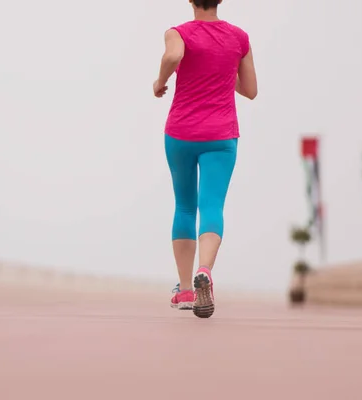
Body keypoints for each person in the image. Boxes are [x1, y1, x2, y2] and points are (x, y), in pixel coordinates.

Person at [153, 0, 257, 318]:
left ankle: (185, 288)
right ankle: (205, 272)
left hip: (181, 133)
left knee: (185, 205)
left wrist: (160, 82)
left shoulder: (178, 33)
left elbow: (173, 56)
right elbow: (250, 90)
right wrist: (223, 77)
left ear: (190, 1)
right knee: (211, 206)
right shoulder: (239, 37)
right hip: (221, 136)